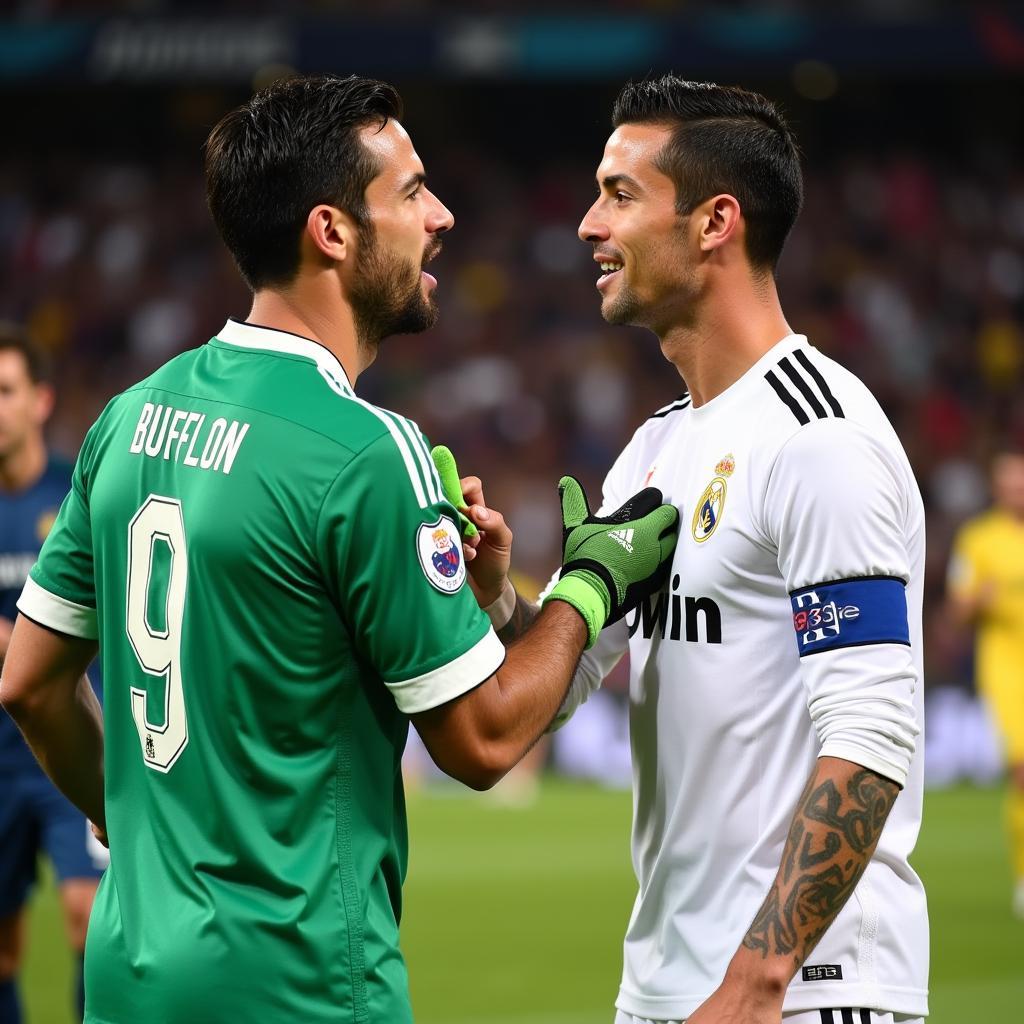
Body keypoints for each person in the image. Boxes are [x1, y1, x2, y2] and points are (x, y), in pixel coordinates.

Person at [0, 74, 678, 1024]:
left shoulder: (128, 417)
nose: (440, 216)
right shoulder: (364, 450)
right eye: (410, 192)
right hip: (298, 983)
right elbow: (482, 743)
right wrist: (591, 584)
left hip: (129, 969)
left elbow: (29, 681)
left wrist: (138, 834)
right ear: (332, 231)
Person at [465, 75, 928, 1024]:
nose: (590, 224)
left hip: (804, 995)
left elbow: (872, 732)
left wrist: (757, 983)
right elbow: (564, 684)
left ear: (717, 221)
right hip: (670, 983)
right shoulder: (656, 447)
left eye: (621, 194)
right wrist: (503, 600)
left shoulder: (819, 437)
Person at [0, 325, 107, 1024]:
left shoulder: (79, 492)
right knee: (3, 952)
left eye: (4, 391)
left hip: (67, 742)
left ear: (40, 400)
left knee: (87, 920)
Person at [948, 445, 1024, 918]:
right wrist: (979, 599)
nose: (1017, 491)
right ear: (997, 489)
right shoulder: (978, 539)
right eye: (1011, 483)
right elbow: (956, 611)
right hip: (1006, 669)